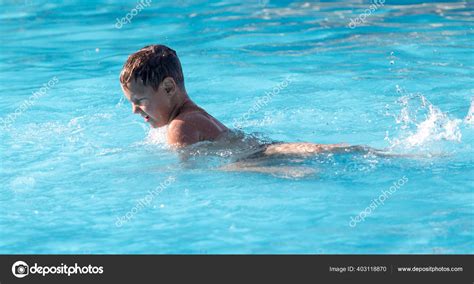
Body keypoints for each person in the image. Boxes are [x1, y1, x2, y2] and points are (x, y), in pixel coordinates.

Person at [119, 44, 364, 162]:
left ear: (169, 87)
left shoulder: (180, 127)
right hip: (260, 150)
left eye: (139, 101)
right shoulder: (193, 116)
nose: (134, 110)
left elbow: (186, 178)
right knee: (323, 151)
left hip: (257, 157)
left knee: (317, 157)